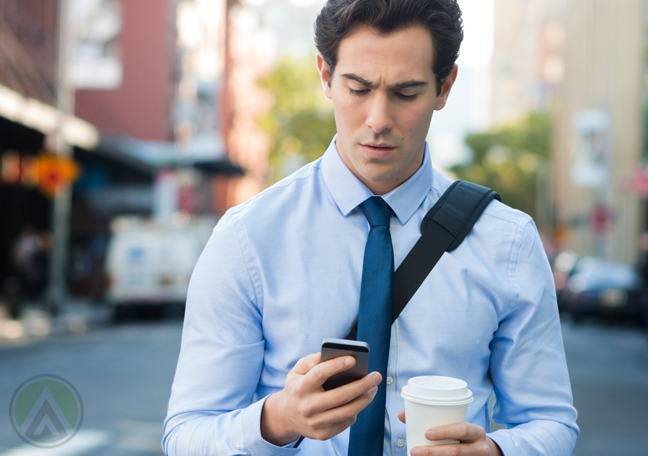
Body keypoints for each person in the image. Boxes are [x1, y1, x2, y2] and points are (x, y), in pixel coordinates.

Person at [163, 0, 579, 454]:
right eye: (358, 88)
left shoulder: (508, 241)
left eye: (406, 93)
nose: (378, 120)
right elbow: (186, 435)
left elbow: (550, 421)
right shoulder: (248, 238)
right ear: (325, 75)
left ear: (445, 87)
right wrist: (276, 420)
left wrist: (495, 453)